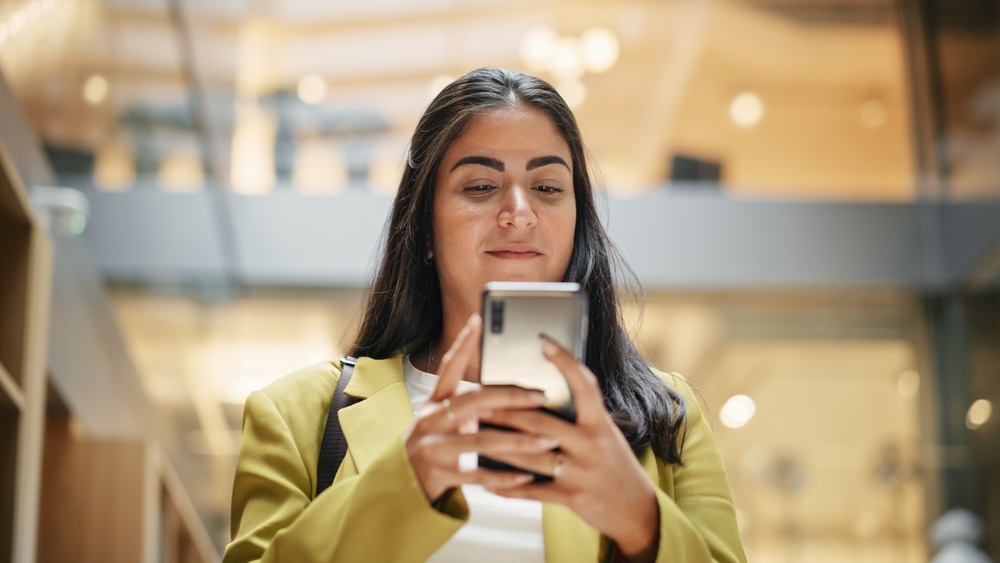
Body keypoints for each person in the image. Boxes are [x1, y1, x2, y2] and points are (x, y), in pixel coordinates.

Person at [222, 67, 746, 563]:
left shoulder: (668, 419)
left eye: (547, 187)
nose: (519, 211)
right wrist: (404, 483)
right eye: (479, 186)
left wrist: (642, 522)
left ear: (575, 222)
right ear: (425, 229)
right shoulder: (295, 416)